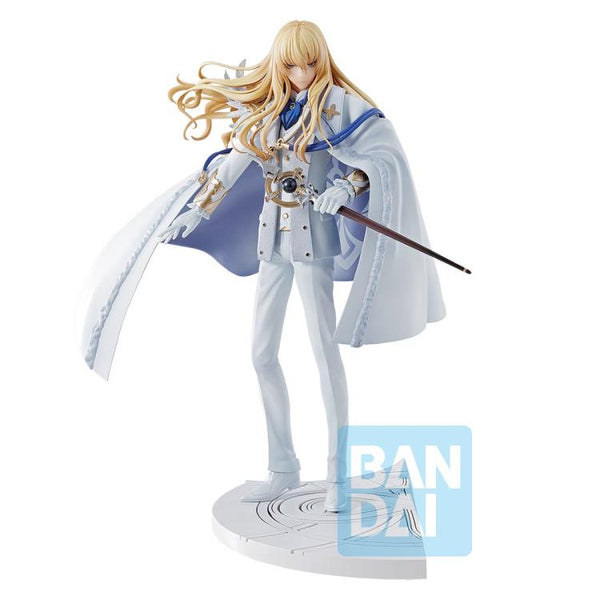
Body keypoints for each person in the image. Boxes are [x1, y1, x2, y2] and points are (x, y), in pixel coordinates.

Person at [79, 20, 446, 513]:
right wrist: (198, 210)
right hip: (271, 241)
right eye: (291, 64)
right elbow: (230, 167)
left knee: (323, 355)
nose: (301, 73)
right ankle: (283, 467)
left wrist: (347, 185)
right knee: (261, 353)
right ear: (279, 64)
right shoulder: (268, 113)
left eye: (309, 63)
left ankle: (338, 475)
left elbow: (379, 159)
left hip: (314, 243)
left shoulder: (340, 106)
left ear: (321, 60)